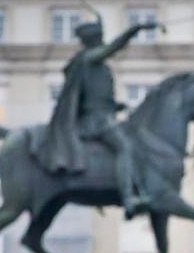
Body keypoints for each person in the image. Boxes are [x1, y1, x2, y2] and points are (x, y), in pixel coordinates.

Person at [33, 17, 156, 217]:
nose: (103, 42)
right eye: (100, 38)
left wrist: (115, 106)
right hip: (94, 122)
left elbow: (95, 96)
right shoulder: (87, 58)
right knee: (125, 147)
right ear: (94, 40)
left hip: (104, 117)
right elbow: (114, 47)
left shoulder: (99, 67)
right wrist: (135, 29)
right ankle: (128, 198)